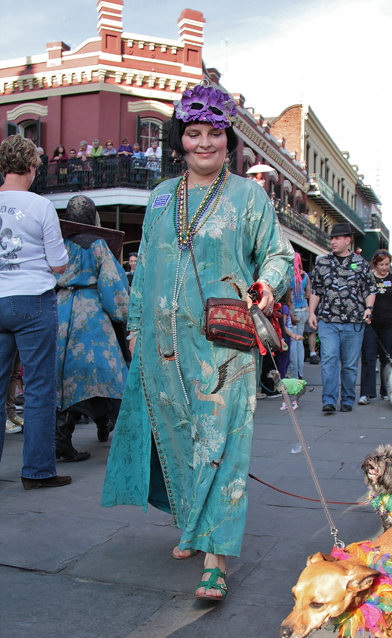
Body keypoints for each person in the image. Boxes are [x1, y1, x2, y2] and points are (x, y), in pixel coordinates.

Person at [102, 83, 294, 600]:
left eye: (214, 133)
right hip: (162, 345)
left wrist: (264, 289)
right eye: (194, 134)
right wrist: (136, 325)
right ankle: (191, 521)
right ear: (180, 140)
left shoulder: (249, 196)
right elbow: (144, 267)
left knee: (222, 442)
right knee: (180, 435)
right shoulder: (163, 195)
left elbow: (277, 256)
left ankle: (215, 556)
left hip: (225, 343)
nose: (204, 143)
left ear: (227, 140)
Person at [0, 134, 71, 489]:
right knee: (39, 387)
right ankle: (38, 471)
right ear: (31, 167)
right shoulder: (40, 206)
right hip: (32, 298)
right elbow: (58, 264)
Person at [55, 195, 130, 460]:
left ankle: (61, 437)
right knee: (108, 372)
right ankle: (123, 432)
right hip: (90, 313)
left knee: (64, 376)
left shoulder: (58, 244)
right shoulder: (97, 245)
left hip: (60, 310)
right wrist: (124, 312)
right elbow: (112, 284)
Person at [308, 222, 376, 413]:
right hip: (328, 321)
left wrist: (369, 308)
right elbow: (316, 290)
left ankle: (347, 399)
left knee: (349, 364)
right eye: (332, 238)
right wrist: (312, 312)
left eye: (337, 238)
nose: (333, 241)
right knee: (329, 359)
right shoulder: (322, 262)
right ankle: (328, 401)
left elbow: (370, 289)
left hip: (353, 322)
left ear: (348, 240)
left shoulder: (361, 263)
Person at [359, 250, 392, 404]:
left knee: (387, 359)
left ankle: (386, 391)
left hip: (389, 324)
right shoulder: (369, 277)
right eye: (381, 264)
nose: (385, 268)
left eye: (387, 264)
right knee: (368, 358)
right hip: (371, 324)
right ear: (375, 264)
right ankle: (366, 393)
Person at [288, 253, 310, 379]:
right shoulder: (305, 275)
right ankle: (300, 373)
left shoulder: (289, 275)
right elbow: (308, 294)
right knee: (300, 342)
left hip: (293, 310)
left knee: (293, 341)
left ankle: (293, 373)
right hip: (303, 309)